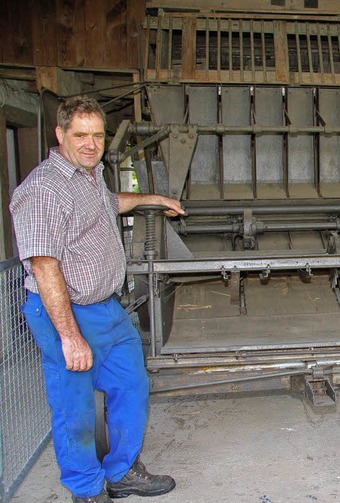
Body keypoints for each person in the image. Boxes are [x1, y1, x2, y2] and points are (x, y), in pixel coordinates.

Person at [10, 96, 185, 503]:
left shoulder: (89, 175)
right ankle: (86, 490)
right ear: (60, 134)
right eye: (80, 135)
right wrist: (69, 336)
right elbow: (44, 266)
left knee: (132, 384)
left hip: (106, 307)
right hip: (63, 311)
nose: (91, 143)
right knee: (75, 406)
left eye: (97, 135)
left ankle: (121, 472)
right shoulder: (43, 190)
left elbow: (108, 204)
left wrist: (152, 199)